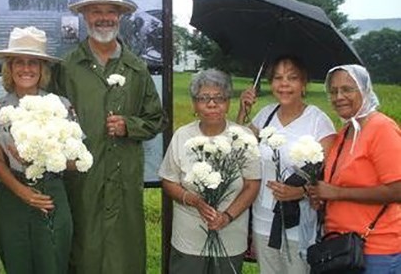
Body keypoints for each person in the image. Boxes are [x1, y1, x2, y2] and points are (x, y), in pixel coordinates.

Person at [51, 0, 166, 274]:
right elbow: (51, 121)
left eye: (111, 11)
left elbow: (157, 119)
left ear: (121, 16)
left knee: (124, 257)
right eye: (96, 11)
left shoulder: (137, 68)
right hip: (81, 184)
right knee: (83, 254)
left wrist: (130, 126)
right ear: (84, 15)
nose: (104, 18)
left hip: (124, 181)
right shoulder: (66, 67)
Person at [0, 26, 74, 274]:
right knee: (17, 265)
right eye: (19, 62)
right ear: (9, 68)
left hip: (50, 194)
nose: (26, 69)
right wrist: (22, 192)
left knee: (52, 265)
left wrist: (43, 158)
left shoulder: (60, 105)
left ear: (42, 69)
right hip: (12, 197)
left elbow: (77, 160)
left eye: (33, 63)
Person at [236, 56, 336, 274]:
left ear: (304, 84)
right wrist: (243, 111)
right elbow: (239, 149)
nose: (284, 84)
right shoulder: (266, 115)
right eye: (278, 78)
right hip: (263, 218)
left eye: (292, 78)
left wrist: (299, 191)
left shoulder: (318, 121)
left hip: (300, 222)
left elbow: (329, 174)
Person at [158, 69, 261, 273]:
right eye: (204, 98)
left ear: (228, 102)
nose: (212, 104)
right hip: (188, 238)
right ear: (195, 104)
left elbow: (252, 185)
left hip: (230, 236)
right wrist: (194, 200)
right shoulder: (182, 136)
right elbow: (168, 180)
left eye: (219, 98)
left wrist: (227, 217)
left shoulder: (242, 137)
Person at [309, 64, 401, 273]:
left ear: (365, 90)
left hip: (376, 249)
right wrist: (323, 196)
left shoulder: (381, 128)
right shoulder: (346, 132)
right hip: (342, 246)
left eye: (347, 89)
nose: (339, 96)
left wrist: (338, 193)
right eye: (333, 91)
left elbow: (398, 189)